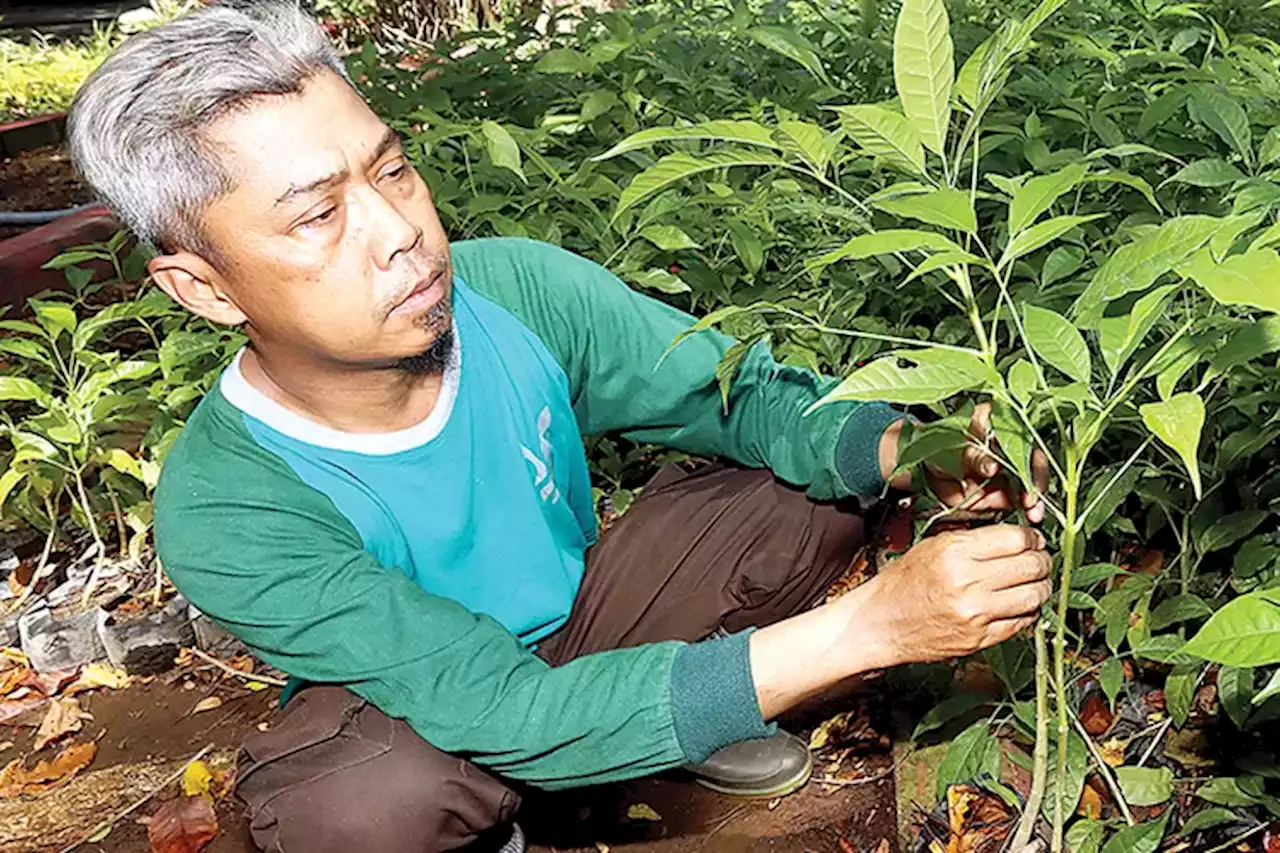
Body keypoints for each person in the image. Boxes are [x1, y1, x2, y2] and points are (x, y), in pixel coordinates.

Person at [67, 3, 1052, 851]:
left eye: (392, 169)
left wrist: (917, 454)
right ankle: (525, 803)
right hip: (433, 717)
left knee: (809, 475)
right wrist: (868, 627)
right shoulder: (227, 501)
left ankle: (667, 724)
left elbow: (741, 394)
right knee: (359, 803)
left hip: (591, 625)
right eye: (318, 215)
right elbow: (498, 707)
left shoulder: (514, 291)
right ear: (202, 286)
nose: (399, 229)